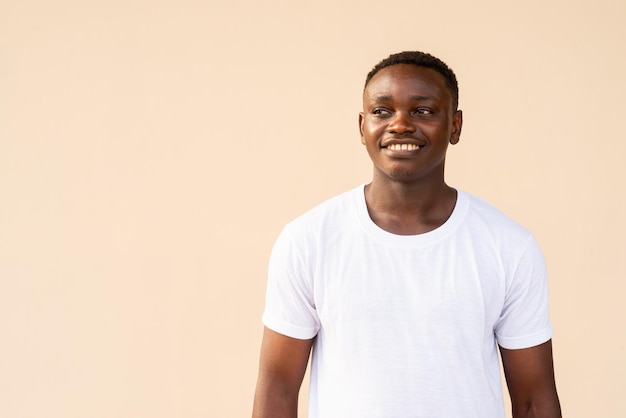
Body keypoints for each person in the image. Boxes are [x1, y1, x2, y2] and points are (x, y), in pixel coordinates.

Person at [252, 51, 561, 418]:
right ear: (361, 126)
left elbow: (534, 400)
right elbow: (278, 388)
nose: (400, 124)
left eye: (423, 111)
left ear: (455, 126)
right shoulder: (308, 240)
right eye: (382, 111)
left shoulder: (509, 246)